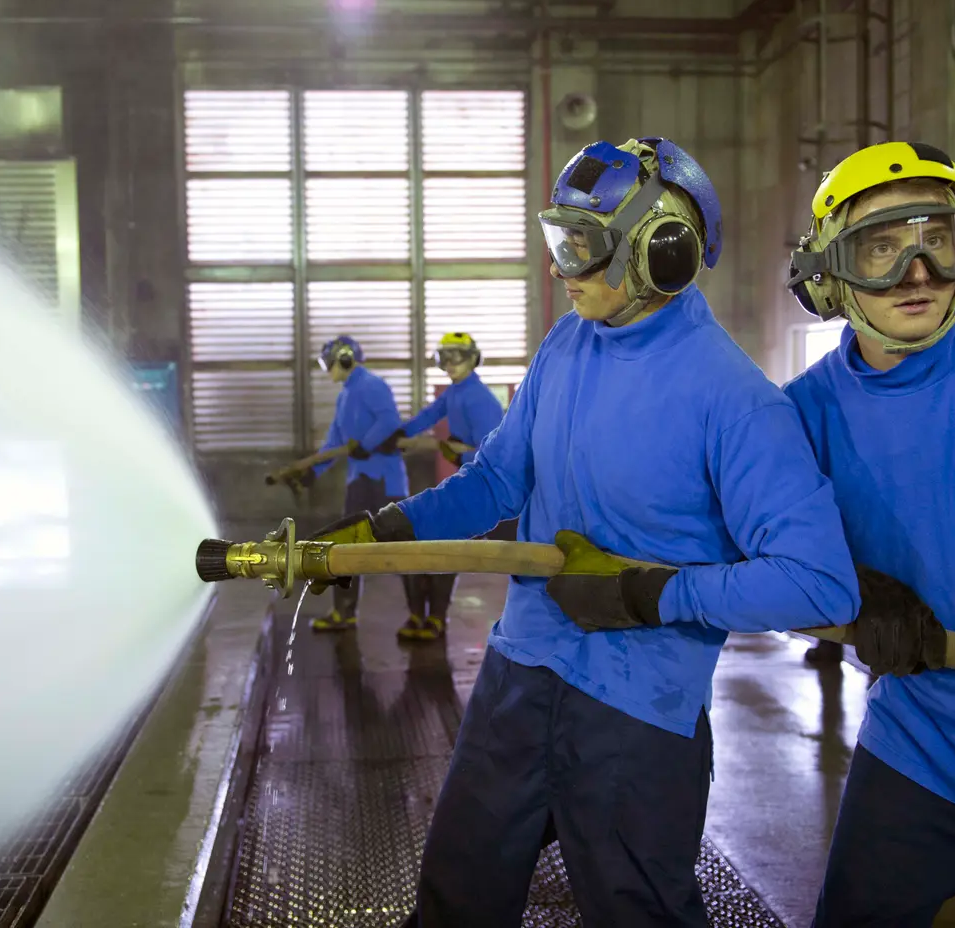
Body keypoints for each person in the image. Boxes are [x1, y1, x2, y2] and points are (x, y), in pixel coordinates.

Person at [314, 138, 860, 926]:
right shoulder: (566, 345)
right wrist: (380, 530)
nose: (560, 266)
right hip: (519, 672)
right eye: (557, 239)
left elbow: (818, 581)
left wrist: (652, 595)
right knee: (455, 894)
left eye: (582, 245)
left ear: (661, 252)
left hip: (637, 712)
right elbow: (497, 482)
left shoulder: (735, 399)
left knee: (636, 911)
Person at [783, 140, 955, 926]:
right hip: (919, 753)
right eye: (882, 249)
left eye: (941, 242)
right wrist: (854, 591)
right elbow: (760, 558)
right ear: (829, 273)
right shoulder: (802, 414)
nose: (919, 273)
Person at [384, 331, 506, 641]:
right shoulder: (455, 393)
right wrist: (398, 432)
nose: (450, 365)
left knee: (442, 544)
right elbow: (430, 415)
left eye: (457, 357)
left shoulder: (479, 398)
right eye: (444, 358)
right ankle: (419, 615)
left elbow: (495, 453)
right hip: (465, 478)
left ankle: (435, 618)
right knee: (427, 541)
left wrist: (456, 451)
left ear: (473, 359)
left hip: (482, 485)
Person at [298, 335, 416, 632]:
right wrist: (315, 470)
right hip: (359, 482)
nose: (328, 370)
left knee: (403, 550)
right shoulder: (345, 395)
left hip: (385, 483)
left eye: (329, 363)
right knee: (347, 546)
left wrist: (367, 444)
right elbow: (335, 441)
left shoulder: (372, 385)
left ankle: (420, 614)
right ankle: (344, 612)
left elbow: (389, 421)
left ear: (346, 359)